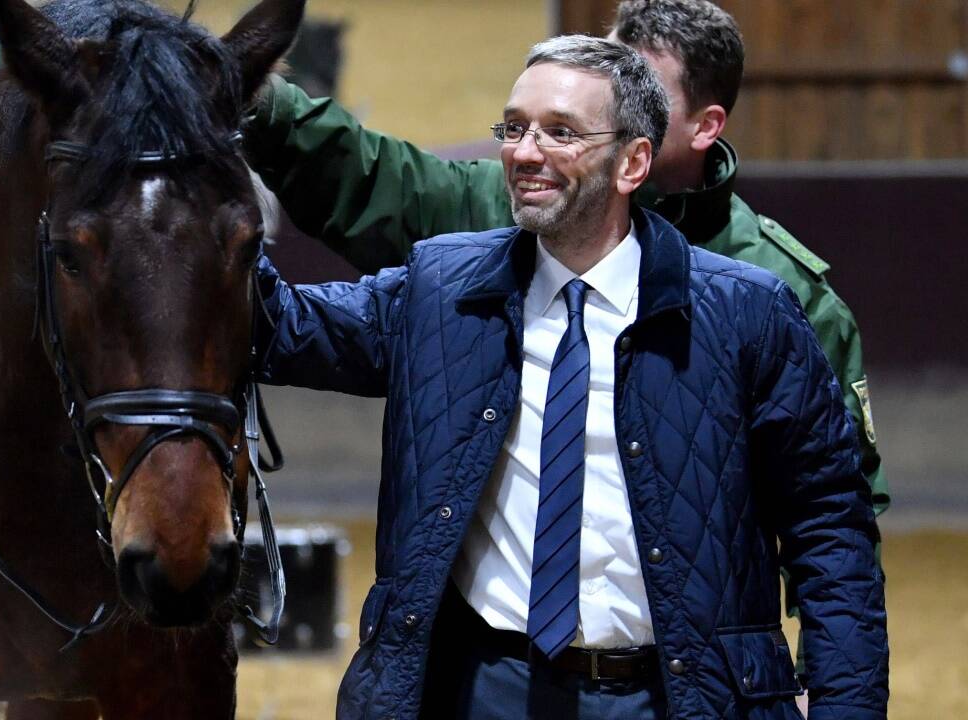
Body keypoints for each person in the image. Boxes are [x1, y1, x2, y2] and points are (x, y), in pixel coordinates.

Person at [254, 35, 887, 719]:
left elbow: (831, 531)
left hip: (677, 698)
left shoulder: (749, 314)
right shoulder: (439, 288)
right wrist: (197, 184)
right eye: (515, 127)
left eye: (560, 133)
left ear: (633, 162)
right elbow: (278, 328)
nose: (525, 153)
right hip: (480, 691)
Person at [242, 0, 889, 538]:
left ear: (705, 125)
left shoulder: (781, 291)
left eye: (641, 89)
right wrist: (255, 97)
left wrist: (812, 678)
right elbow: (378, 182)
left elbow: (838, 502)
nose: (609, 100)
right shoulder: (511, 211)